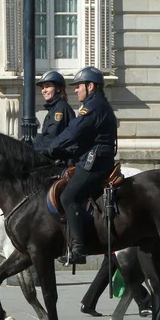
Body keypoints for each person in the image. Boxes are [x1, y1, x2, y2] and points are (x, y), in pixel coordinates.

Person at [47, 66, 117, 265]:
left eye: (79, 86)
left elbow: (74, 131)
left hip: (95, 162)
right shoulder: (97, 104)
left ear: (91, 86)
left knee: (68, 195)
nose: (76, 90)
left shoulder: (93, 107)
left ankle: (79, 249)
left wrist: (52, 148)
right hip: (92, 157)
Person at [80, 254, 153, 317]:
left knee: (104, 275)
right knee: (129, 275)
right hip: (119, 248)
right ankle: (145, 303)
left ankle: (88, 304)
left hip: (114, 248)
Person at [32, 71, 74, 153]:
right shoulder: (54, 108)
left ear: (58, 88)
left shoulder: (60, 108)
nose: (44, 91)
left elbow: (52, 136)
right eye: (42, 88)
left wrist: (36, 153)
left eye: (47, 86)